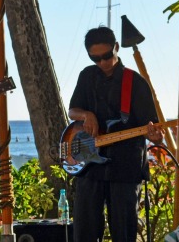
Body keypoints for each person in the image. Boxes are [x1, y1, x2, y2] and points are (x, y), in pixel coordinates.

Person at [68, 26, 164, 242]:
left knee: (124, 233)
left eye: (106, 56)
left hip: (125, 168)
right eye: (95, 58)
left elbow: (154, 129)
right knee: (84, 233)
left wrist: (156, 136)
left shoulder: (136, 83)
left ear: (116, 47)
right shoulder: (86, 76)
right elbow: (72, 111)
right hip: (90, 168)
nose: (102, 62)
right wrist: (86, 115)